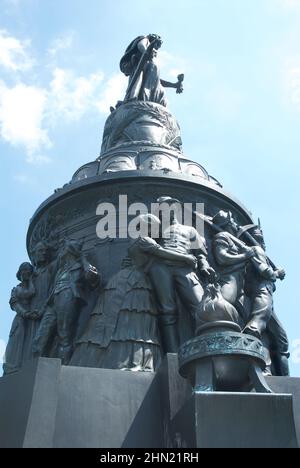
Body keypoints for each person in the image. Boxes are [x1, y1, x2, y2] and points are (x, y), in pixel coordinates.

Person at [71, 214, 198, 371]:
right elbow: (162, 253)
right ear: (146, 226)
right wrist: (186, 258)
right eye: (155, 227)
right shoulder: (145, 240)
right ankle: (128, 359)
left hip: (126, 278)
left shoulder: (135, 240)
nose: (157, 231)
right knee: (133, 321)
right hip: (136, 282)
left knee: (125, 320)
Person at [147, 197, 216, 353]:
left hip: (185, 268)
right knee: (167, 311)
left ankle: (205, 350)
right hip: (161, 268)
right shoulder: (156, 230)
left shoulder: (190, 230)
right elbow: (142, 244)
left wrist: (204, 265)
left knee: (200, 307)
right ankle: (172, 354)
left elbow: (200, 253)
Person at [33, 239, 99, 365]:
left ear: (69, 252)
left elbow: (93, 278)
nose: (60, 252)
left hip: (67, 298)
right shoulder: (60, 270)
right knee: (40, 338)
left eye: (63, 249)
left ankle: (64, 366)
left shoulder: (79, 268)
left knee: (65, 336)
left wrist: (83, 259)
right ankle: (36, 368)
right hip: (53, 304)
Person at [212, 210, 256, 320]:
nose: (235, 222)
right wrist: (245, 256)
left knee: (246, 319)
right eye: (232, 220)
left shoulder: (235, 240)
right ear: (228, 223)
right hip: (229, 279)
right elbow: (222, 258)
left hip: (241, 284)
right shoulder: (222, 236)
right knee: (222, 309)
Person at [120, 34, 183, 107]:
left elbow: (157, 81)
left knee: (160, 93)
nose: (156, 49)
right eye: (157, 45)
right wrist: (145, 52)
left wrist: (174, 85)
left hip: (151, 102)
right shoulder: (146, 40)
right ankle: (130, 101)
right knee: (137, 83)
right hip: (140, 72)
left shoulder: (151, 63)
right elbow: (141, 45)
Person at [4, 262, 36, 374]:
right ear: (20, 273)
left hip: (31, 319)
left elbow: (32, 292)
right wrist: (25, 313)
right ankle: (12, 368)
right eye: (23, 271)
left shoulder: (32, 285)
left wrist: (31, 280)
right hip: (20, 319)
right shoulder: (16, 289)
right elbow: (15, 305)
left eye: (28, 270)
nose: (25, 273)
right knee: (17, 343)